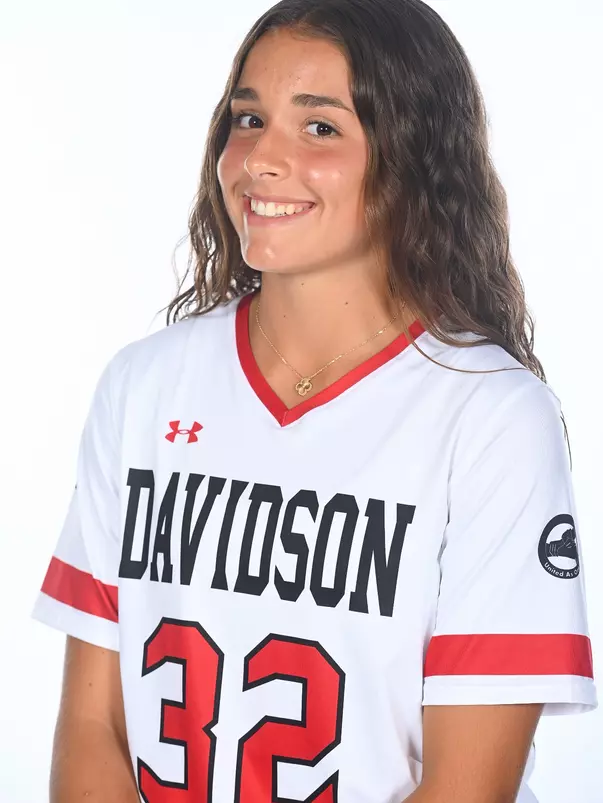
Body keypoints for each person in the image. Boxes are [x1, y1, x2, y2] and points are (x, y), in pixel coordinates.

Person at [32, 0, 597, 801]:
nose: (261, 158)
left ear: (410, 155)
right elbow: (93, 730)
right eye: (248, 118)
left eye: (320, 128)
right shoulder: (145, 383)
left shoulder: (491, 416)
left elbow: (467, 790)